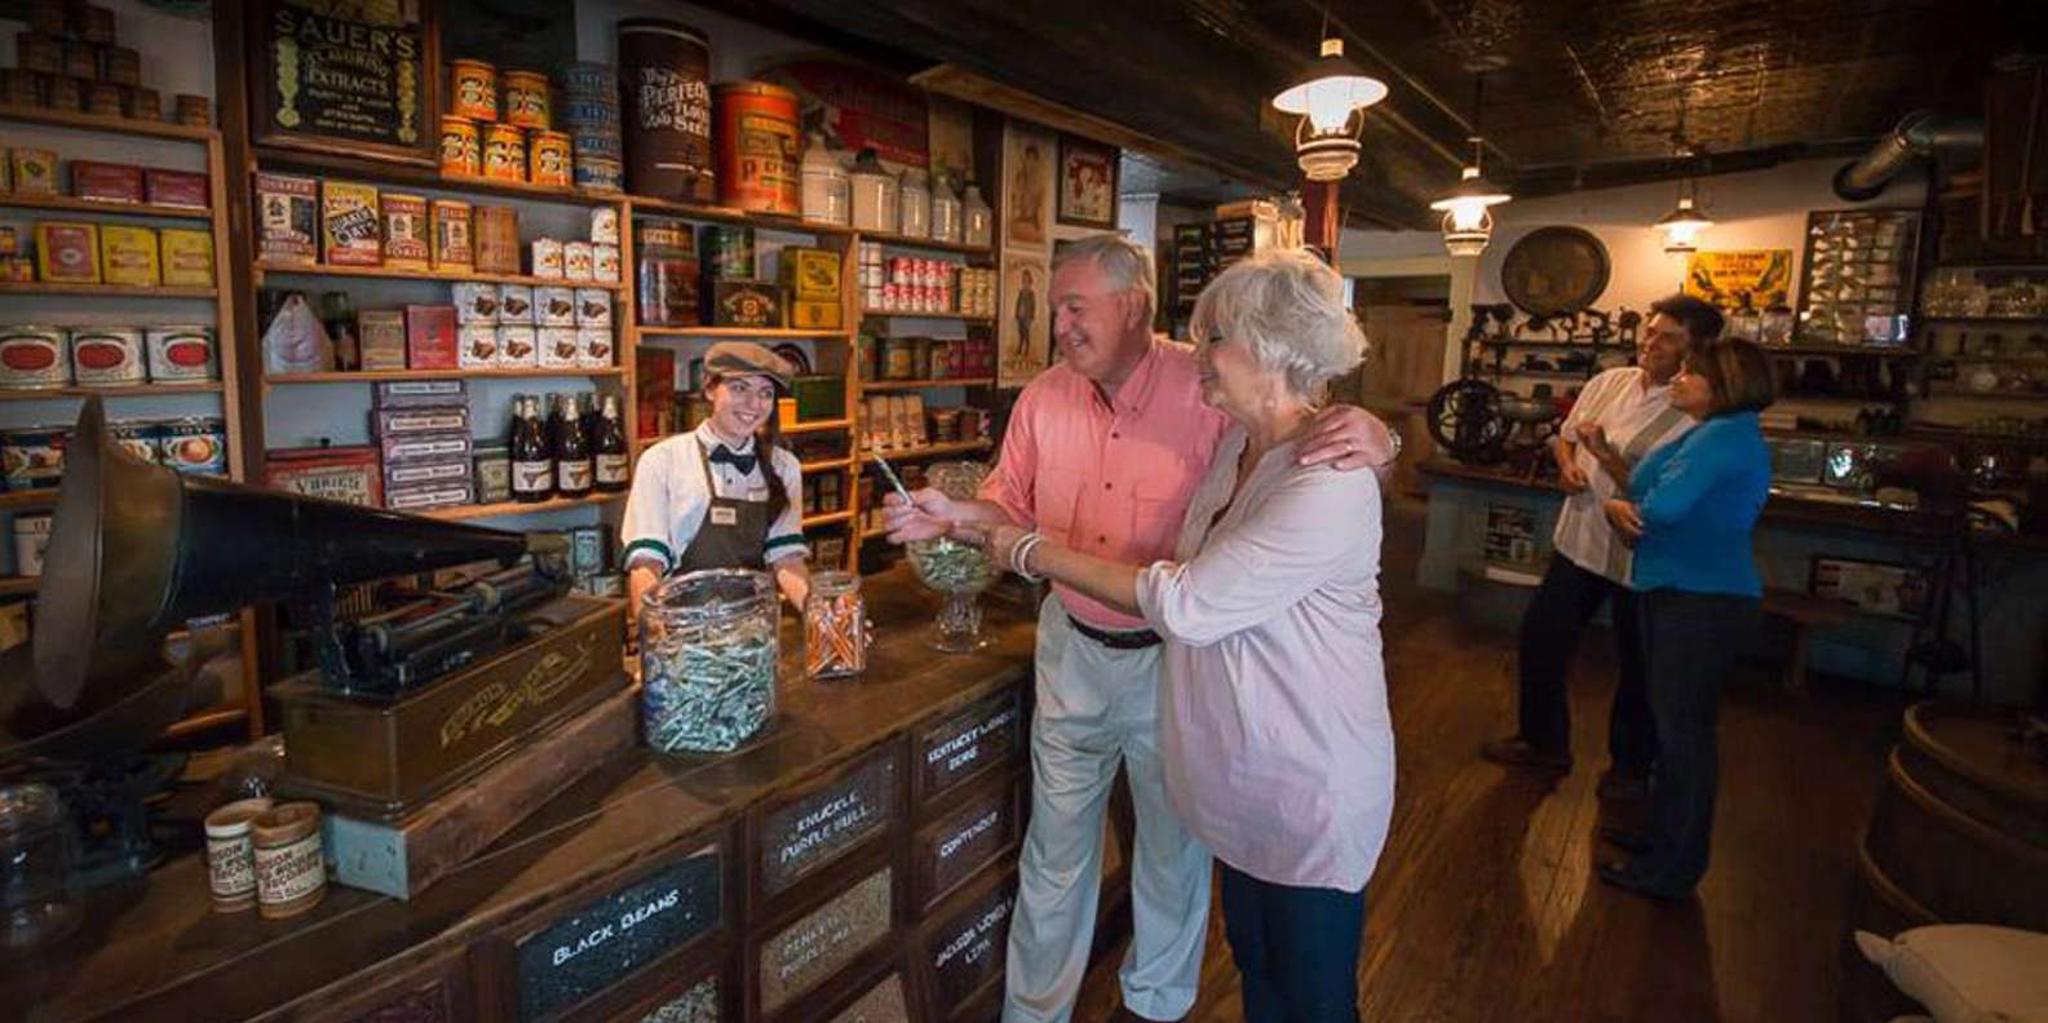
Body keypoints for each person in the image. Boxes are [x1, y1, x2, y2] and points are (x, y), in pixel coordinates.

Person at [883, 235, 1397, 1023]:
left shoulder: (1214, 400)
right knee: (1057, 852)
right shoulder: (1060, 401)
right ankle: (1035, 1013)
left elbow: (1306, 451)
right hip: (1082, 653)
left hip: (1181, 670)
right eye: (1055, 306)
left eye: (1075, 305)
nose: (1058, 322)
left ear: (1134, 307)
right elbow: (1007, 508)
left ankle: (1155, 1007)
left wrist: (1383, 438)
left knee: (1175, 854)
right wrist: (955, 518)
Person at [1480, 295, 1724, 802]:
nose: (1650, 343)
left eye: (1667, 337)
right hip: (1581, 541)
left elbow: (1663, 494)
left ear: (1696, 348)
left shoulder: (1694, 414)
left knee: (1638, 666)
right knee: (1542, 640)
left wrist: (1602, 454)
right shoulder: (1609, 382)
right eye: (1650, 331)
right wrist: (1567, 462)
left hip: (1641, 558)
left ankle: (1630, 769)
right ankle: (1542, 740)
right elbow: (1566, 436)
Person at [1596, 338, 1775, 899]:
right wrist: (1625, 500)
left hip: (1701, 600)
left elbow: (1659, 508)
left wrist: (1619, 508)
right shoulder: (1705, 433)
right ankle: (1664, 840)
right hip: (1682, 592)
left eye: (1690, 374)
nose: (1677, 379)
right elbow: (1645, 482)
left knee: (1684, 738)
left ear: (1722, 385)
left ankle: (1674, 867)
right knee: (1674, 730)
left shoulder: (1723, 437)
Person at [621, 342, 811, 621]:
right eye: (739, 388)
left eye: (765, 393)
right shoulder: (662, 461)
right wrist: (654, 637)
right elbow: (646, 564)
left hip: (754, 627)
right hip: (680, 626)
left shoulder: (784, 466)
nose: (753, 404)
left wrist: (821, 617)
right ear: (710, 388)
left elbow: (787, 559)